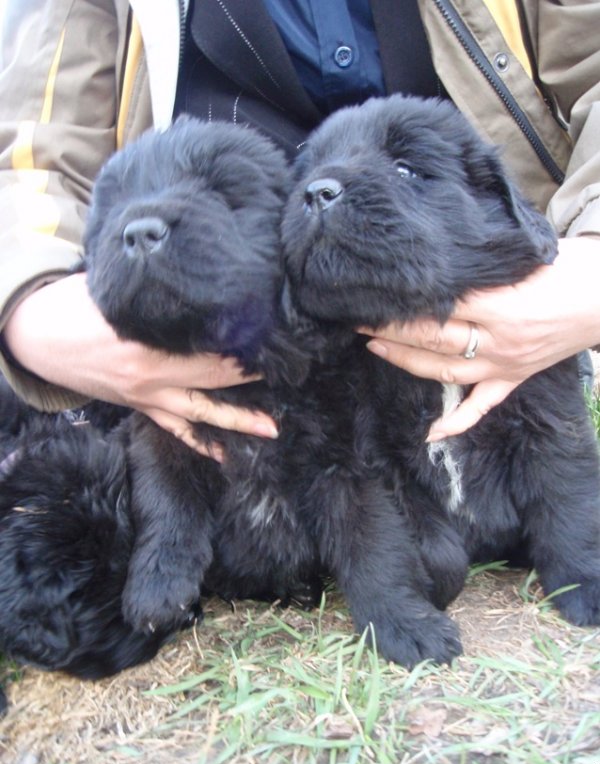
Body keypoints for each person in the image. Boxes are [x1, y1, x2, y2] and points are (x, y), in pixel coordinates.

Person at [0, 0, 599, 454]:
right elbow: (33, 148)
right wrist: (36, 315)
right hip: (205, 314)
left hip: (479, 298)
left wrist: (586, 276)